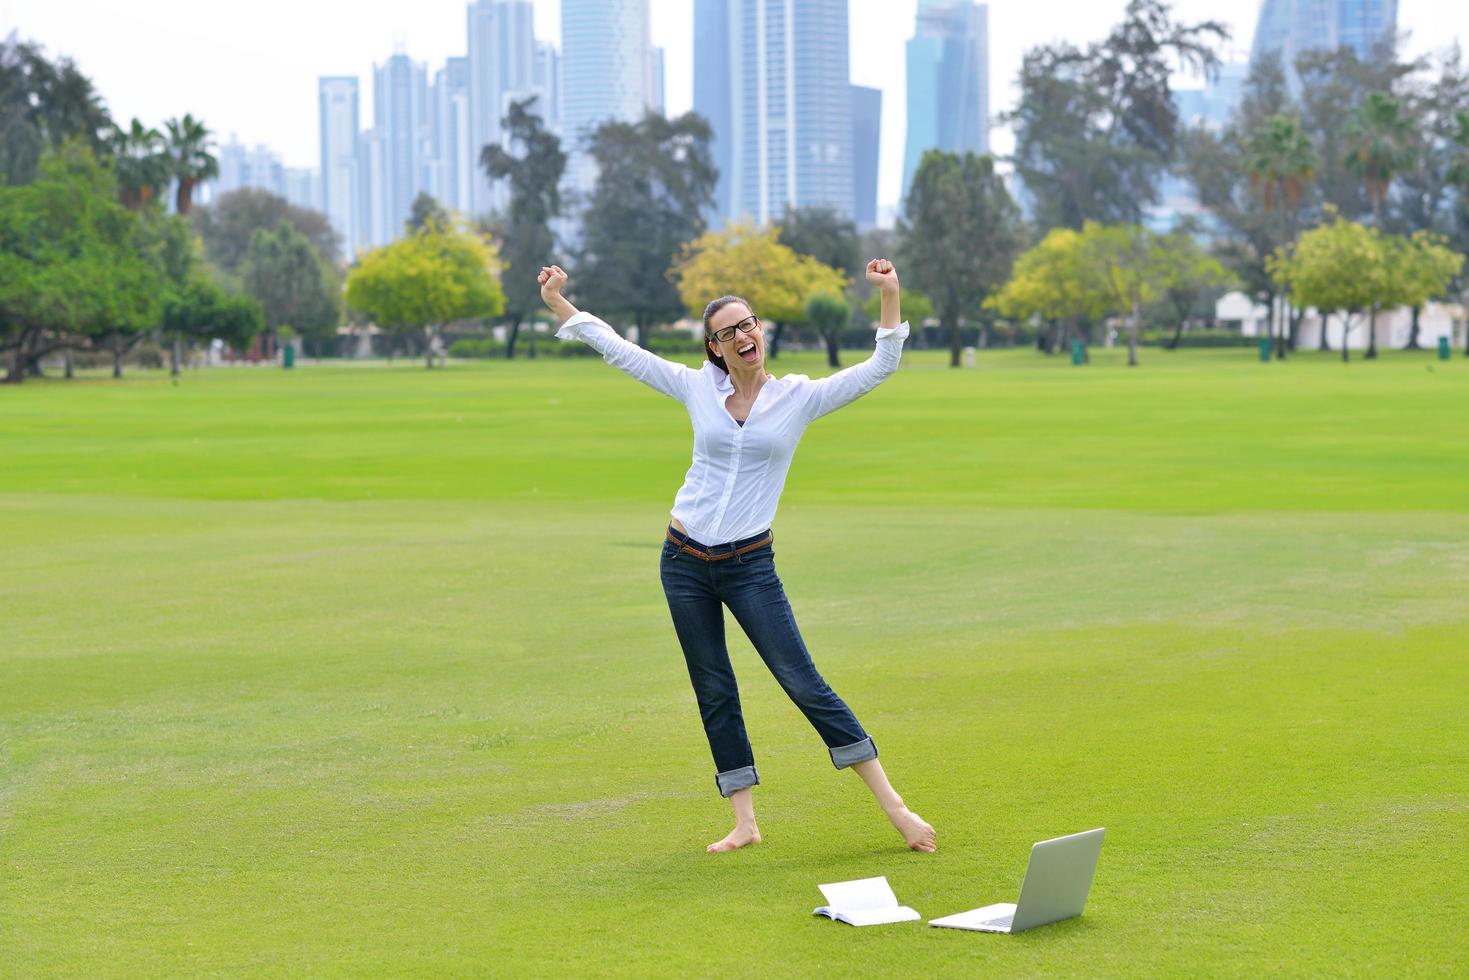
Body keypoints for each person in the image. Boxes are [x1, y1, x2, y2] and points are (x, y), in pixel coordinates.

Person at [539, 260, 935, 854]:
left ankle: (896, 808)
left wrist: (890, 293)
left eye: (749, 324)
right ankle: (744, 822)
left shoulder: (798, 398)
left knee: (802, 682)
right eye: (730, 331)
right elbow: (621, 350)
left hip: (750, 566)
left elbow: (882, 365)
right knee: (714, 688)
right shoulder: (697, 387)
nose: (745, 335)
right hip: (682, 560)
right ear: (716, 348)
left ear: (759, 332)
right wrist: (558, 305)